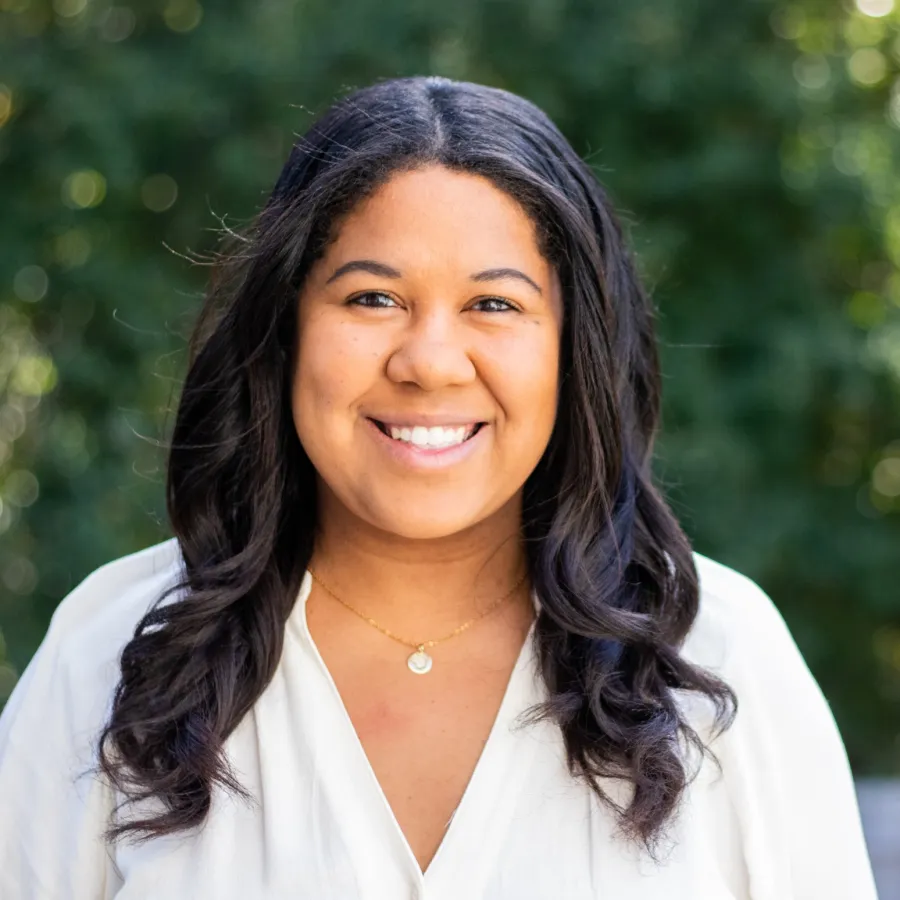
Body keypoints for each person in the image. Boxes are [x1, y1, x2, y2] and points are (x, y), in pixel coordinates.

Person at [0, 76, 878, 900]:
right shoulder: (110, 659)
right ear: (286, 329)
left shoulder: (724, 669)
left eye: (495, 306)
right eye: (373, 299)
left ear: (574, 351)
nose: (428, 362)